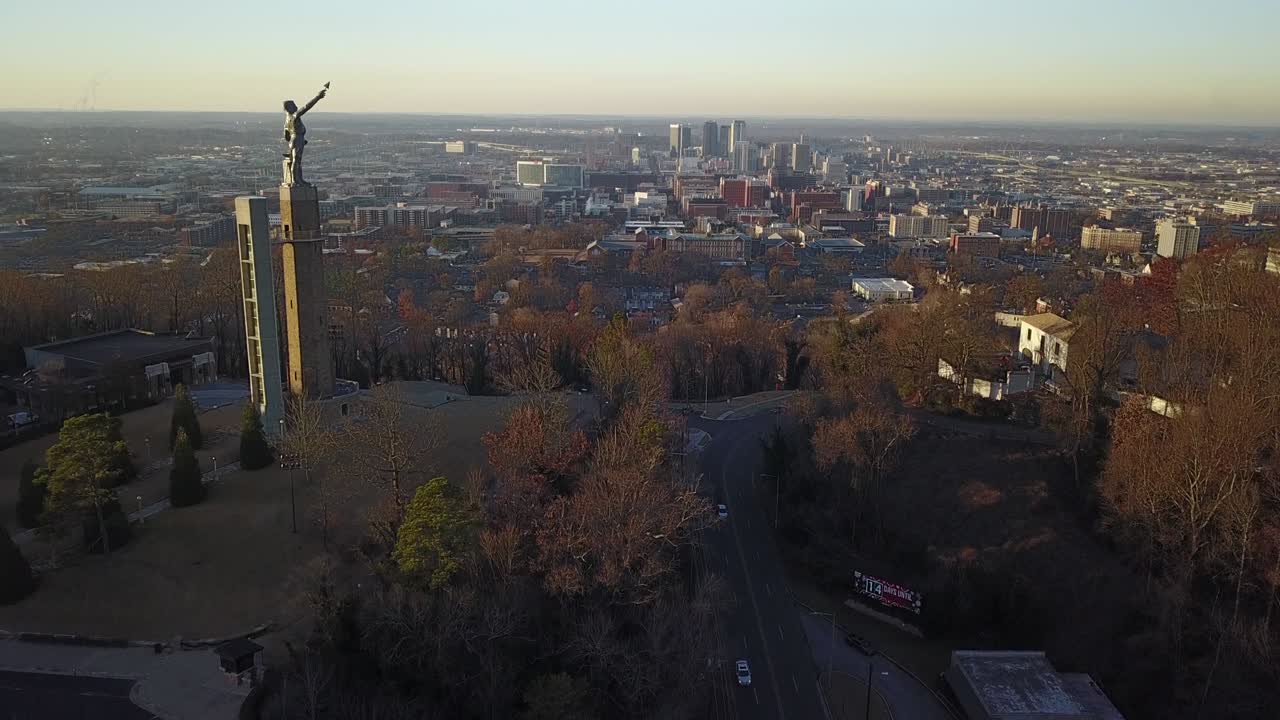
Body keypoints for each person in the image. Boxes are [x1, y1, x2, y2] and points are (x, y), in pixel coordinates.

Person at [282, 82, 329, 185]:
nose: (296, 106)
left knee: (296, 160)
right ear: (289, 107)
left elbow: (286, 136)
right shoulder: (294, 116)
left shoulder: (286, 121)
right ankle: (296, 180)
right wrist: (318, 97)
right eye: (294, 105)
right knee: (296, 160)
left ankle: (298, 180)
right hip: (297, 139)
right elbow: (306, 107)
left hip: (295, 140)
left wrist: (296, 140)